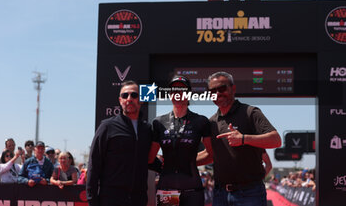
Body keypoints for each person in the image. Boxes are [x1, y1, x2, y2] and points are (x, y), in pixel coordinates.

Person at [197, 71, 282, 206]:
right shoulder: (211, 122)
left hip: (250, 193)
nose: (218, 93)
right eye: (212, 90)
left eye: (222, 88)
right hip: (220, 194)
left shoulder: (250, 112)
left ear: (233, 88)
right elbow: (210, 154)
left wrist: (243, 138)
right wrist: (180, 163)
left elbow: (276, 140)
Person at [86, 80, 153, 206]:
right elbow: (94, 165)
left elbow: (150, 159)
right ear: (120, 100)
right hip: (110, 199)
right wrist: (92, 201)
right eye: (125, 95)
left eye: (134, 95)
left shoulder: (147, 129)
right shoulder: (107, 126)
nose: (129, 99)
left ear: (141, 99)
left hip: (138, 200)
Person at [148, 76, 213, 206]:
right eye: (173, 90)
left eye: (181, 89)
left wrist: (186, 161)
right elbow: (150, 158)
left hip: (193, 190)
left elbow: (211, 154)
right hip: (167, 189)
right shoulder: (158, 122)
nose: (177, 93)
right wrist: (160, 164)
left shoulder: (201, 121)